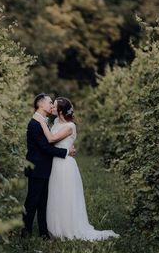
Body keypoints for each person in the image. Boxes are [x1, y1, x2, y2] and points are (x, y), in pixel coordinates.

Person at [33, 97, 119, 241]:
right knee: (55, 195)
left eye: (54, 106)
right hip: (54, 163)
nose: (52, 108)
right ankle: (54, 227)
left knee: (65, 195)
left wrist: (40, 121)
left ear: (60, 111)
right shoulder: (54, 121)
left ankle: (67, 228)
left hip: (65, 165)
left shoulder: (70, 127)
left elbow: (52, 139)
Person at [22, 94, 76, 239]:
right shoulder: (34, 123)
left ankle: (43, 232)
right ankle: (25, 231)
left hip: (45, 168)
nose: (52, 105)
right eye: (50, 102)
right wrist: (66, 152)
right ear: (41, 105)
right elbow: (46, 148)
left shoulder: (44, 122)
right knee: (32, 201)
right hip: (37, 168)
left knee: (42, 201)